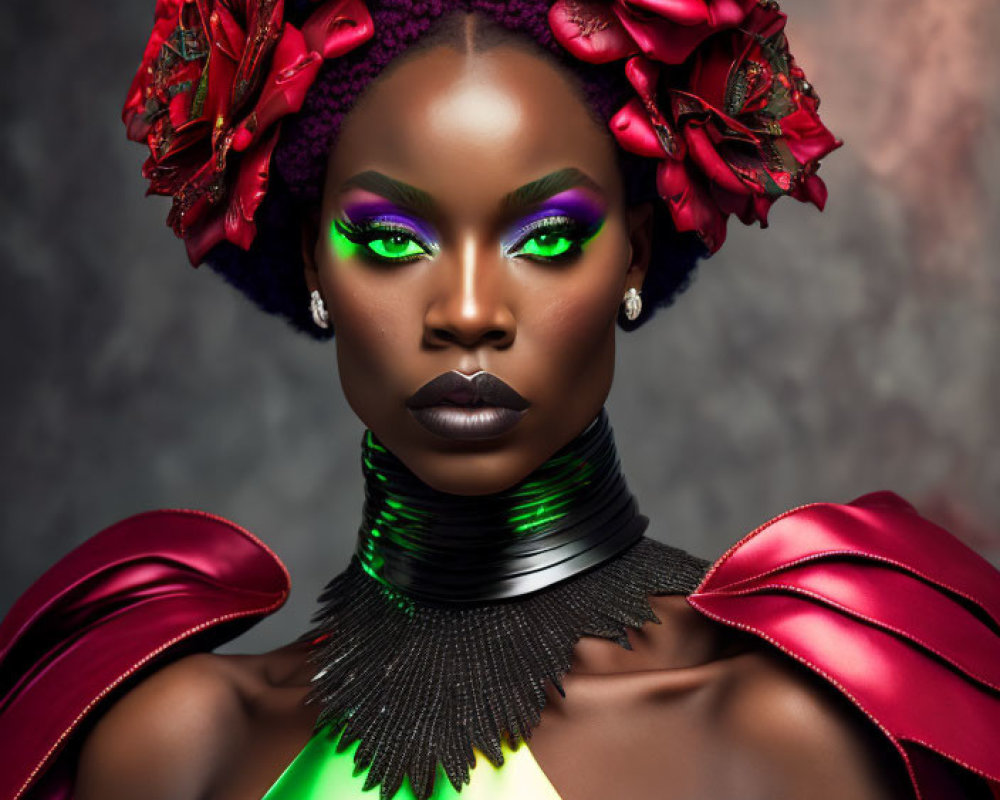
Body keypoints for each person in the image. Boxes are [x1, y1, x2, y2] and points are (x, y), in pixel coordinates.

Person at [1, 1, 997, 799]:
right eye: (391, 239)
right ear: (312, 261)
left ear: (635, 256)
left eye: (547, 236)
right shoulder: (169, 746)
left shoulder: (799, 733)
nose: (467, 312)